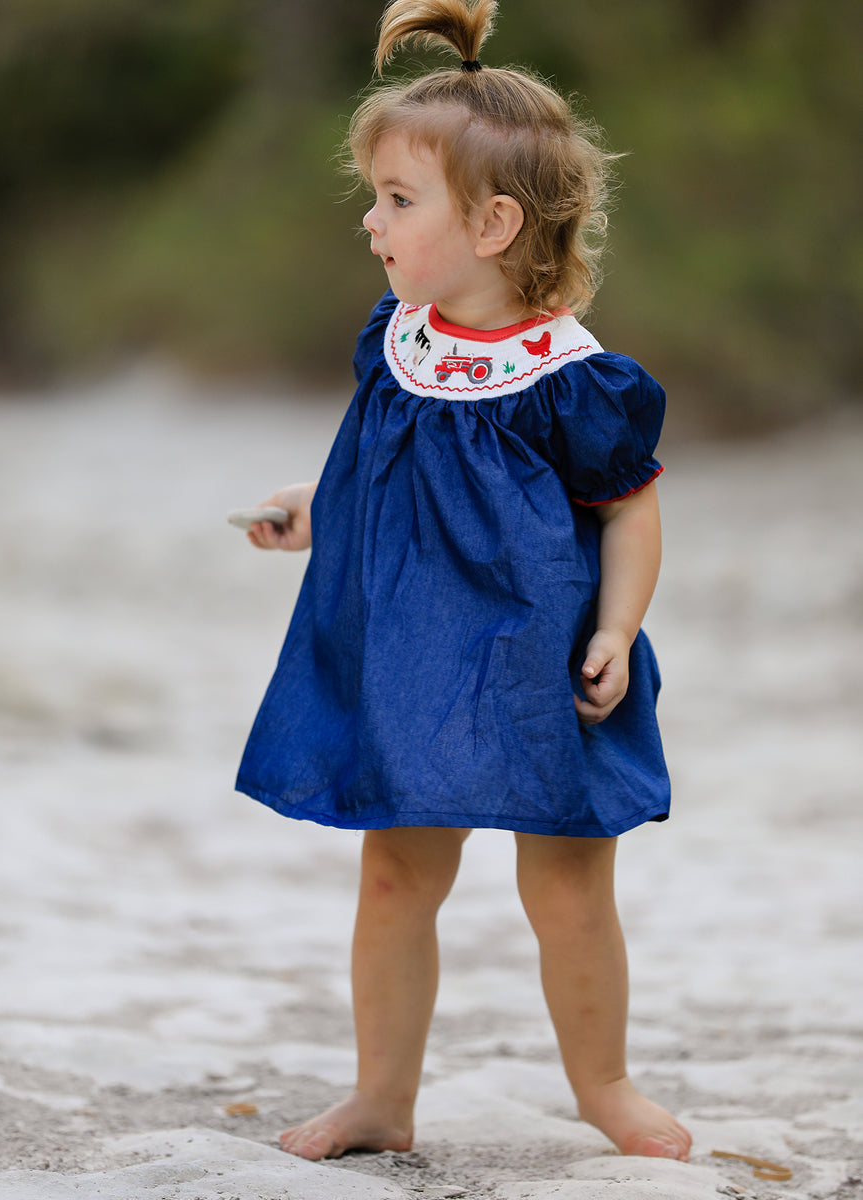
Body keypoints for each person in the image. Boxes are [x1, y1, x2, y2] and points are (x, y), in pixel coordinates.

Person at [236, 0, 692, 1166]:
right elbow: (376, 472)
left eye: (397, 200)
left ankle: (606, 1085)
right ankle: (382, 1096)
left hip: (541, 658)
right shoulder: (399, 341)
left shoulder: (569, 376)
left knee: (569, 887)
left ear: (494, 222)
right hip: (408, 653)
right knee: (395, 874)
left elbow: (631, 508)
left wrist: (617, 625)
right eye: (375, 197)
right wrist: (312, 512)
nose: (371, 224)